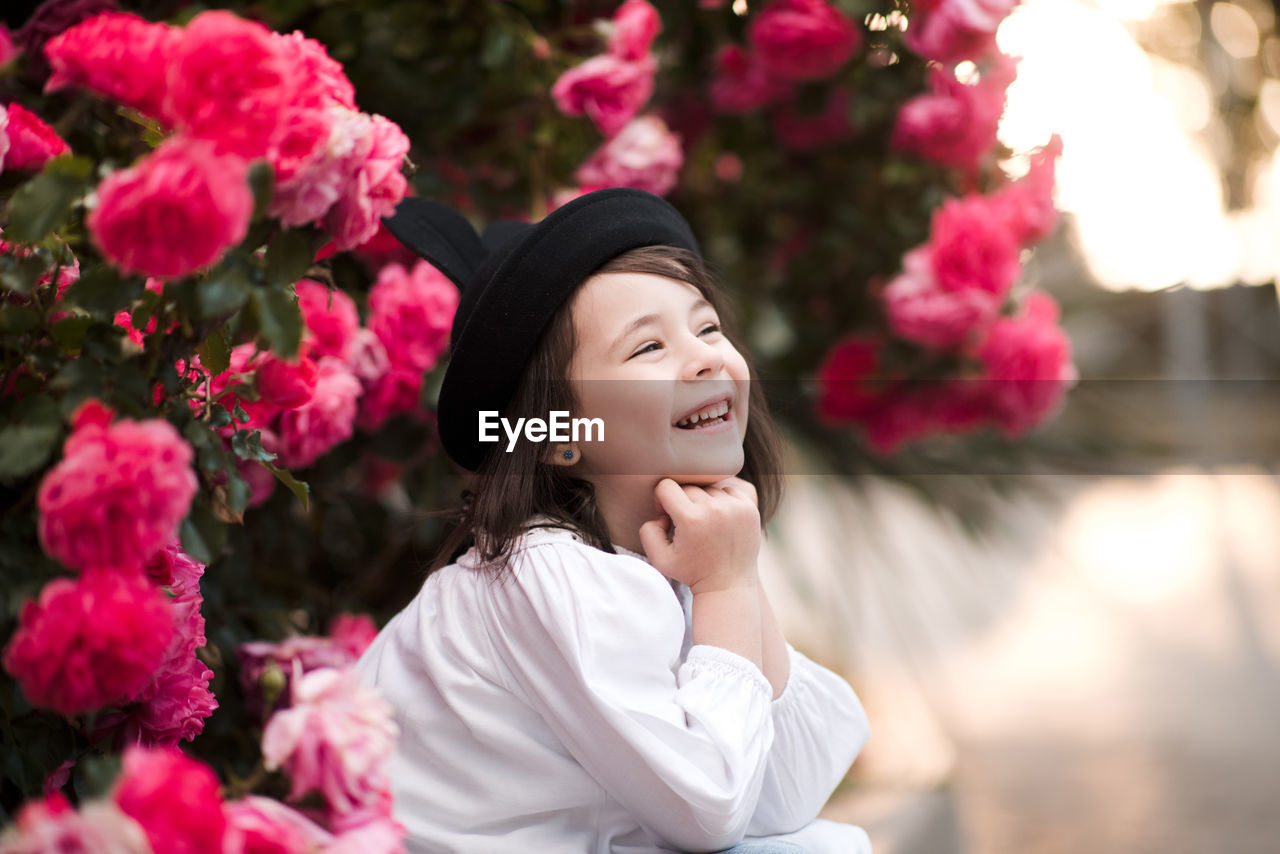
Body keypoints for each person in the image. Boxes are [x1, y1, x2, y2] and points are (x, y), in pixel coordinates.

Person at [354, 188, 872, 854]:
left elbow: (785, 797)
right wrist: (727, 588)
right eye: (648, 347)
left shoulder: (657, 562)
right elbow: (710, 807)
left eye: (707, 327)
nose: (707, 356)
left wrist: (731, 577)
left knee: (824, 845)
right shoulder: (548, 571)